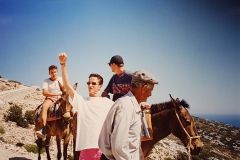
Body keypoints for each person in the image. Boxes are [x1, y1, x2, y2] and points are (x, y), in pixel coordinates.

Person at [58, 52, 114, 160]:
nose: (90, 85)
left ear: (100, 86)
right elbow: (67, 87)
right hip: (87, 151)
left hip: (105, 151)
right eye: (88, 83)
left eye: (93, 83)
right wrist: (63, 65)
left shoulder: (108, 103)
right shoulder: (81, 101)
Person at [99, 70, 159, 160]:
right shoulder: (126, 107)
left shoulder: (130, 105)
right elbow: (119, 148)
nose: (150, 94)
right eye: (150, 90)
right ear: (144, 88)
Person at [36, 65, 63, 138]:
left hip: (61, 98)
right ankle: (43, 129)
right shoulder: (46, 81)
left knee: (71, 107)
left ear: (57, 72)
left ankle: (73, 128)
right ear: (49, 73)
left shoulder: (61, 79)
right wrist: (56, 94)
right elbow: (45, 92)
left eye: (55, 72)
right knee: (44, 107)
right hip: (50, 98)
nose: (54, 74)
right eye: (52, 72)